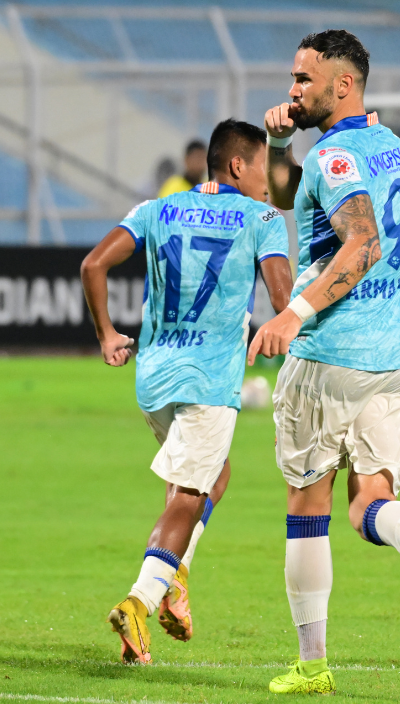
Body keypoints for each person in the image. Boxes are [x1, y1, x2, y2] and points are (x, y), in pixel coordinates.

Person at [250, 29, 400, 696]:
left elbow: (360, 244)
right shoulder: (388, 144)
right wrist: (280, 144)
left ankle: (313, 665)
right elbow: (300, 201)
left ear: (341, 85)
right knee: (370, 504)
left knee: (307, 507)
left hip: (332, 355)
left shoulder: (336, 157)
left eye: (303, 79)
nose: (292, 89)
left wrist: (295, 312)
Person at [80, 119, 293, 665]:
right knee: (193, 494)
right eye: (265, 165)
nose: (271, 180)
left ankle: (175, 577)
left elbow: (93, 264)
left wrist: (106, 333)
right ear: (239, 166)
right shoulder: (261, 217)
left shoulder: (156, 209)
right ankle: (140, 601)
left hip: (152, 378)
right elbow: (281, 294)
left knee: (211, 475)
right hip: (207, 380)